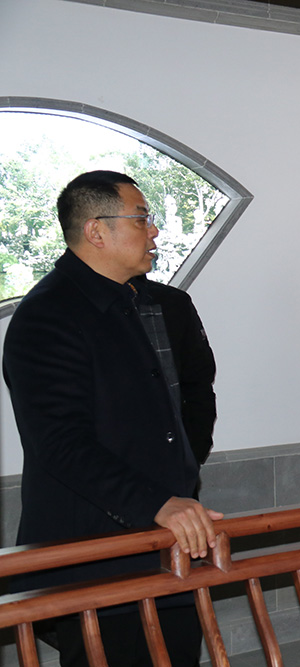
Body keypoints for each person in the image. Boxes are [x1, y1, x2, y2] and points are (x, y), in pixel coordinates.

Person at [3, 170, 222, 666]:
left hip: (170, 534)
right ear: (96, 230)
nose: (154, 231)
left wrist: (182, 474)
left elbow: (193, 396)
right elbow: (59, 442)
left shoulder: (159, 304)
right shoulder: (47, 316)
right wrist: (155, 502)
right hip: (93, 546)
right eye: (141, 219)